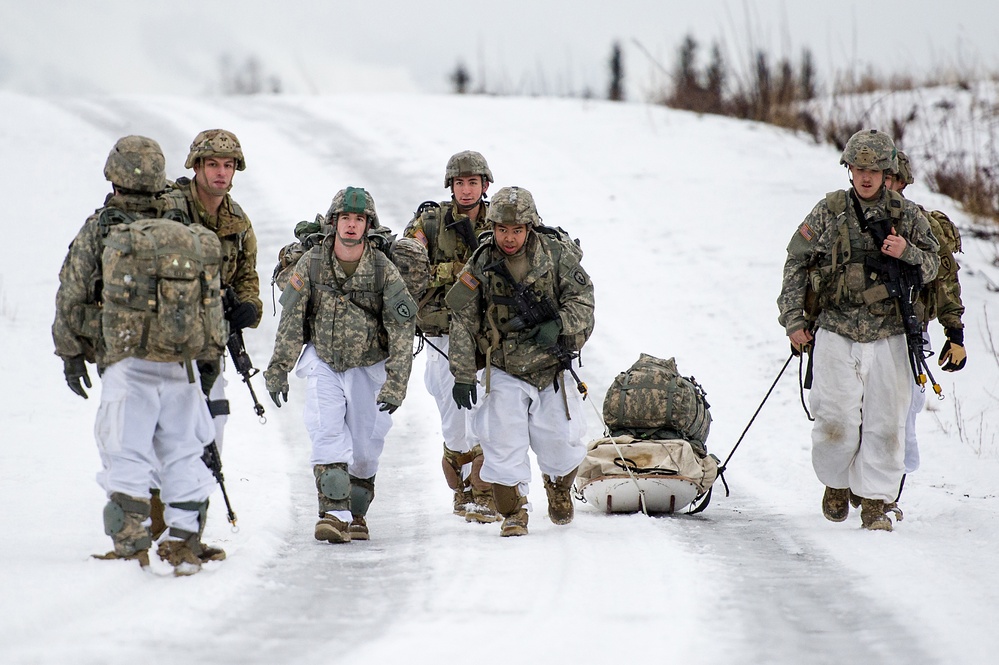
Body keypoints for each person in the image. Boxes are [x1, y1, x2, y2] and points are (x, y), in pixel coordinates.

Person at [53, 136, 225, 574]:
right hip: (182, 363)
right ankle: (185, 541)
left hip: (127, 364)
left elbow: (72, 292)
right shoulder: (185, 228)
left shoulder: (102, 228)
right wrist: (209, 360)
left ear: (114, 174)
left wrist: (71, 352)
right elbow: (211, 299)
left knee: (126, 453)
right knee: (184, 451)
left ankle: (132, 547)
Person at [777, 129, 940, 532]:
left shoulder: (908, 216)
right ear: (849, 169)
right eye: (859, 168)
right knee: (835, 420)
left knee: (887, 423)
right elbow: (796, 261)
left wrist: (909, 253)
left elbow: (935, 267)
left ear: (888, 172)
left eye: (874, 169)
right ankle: (836, 482)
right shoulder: (829, 210)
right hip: (836, 328)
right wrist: (794, 320)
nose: (866, 177)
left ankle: (875, 503)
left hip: (890, 333)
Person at [264, 187, 416, 544]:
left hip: (369, 366)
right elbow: (292, 318)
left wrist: (396, 384)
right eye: (345, 218)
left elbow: (401, 329)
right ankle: (333, 513)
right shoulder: (312, 262)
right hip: (324, 362)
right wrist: (278, 369)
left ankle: (356, 511)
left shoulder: (383, 269)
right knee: (326, 431)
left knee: (365, 449)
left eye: (358, 219)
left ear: (368, 225)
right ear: (334, 222)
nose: (351, 225)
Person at [445, 186, 595, 537]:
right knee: (501, 445)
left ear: (529, 227)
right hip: (505, 368)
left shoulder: (556, 254)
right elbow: (463, 320)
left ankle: (558, 487)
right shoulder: (481, 261)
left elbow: (583, 302)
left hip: (550, 367)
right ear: (493, 227)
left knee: (562, 444)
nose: (508, 238)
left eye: (516, 230)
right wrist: (463, 374)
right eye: (501, 230)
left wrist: (558, 324)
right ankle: (514, 512)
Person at [404, 150, 499, 523]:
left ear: (484, 185)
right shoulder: (430, 223)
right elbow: (408, 268)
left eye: (472, 182)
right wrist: (459, 269)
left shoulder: (501, 221)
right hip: (440, 332)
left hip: (486, 334)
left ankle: (484, 487)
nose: (465, 189)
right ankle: (459, 481)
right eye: (459, 183)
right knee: (453, 416)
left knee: (487, 411)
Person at [172, 128, 262, 447]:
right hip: (167, 339)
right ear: (196, 166)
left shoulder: (237, 221)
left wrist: (249, 307)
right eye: (212, 164)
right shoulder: (171, 209)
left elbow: (247, 277)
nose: (221, 172)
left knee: (214, 423)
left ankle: (197, 496)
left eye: (228, 164)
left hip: (211, 342)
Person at [886, 150, 967, 489]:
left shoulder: (921, 224)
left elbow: (946, 281)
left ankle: (888, 491)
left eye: (888, 175)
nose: (879, 180)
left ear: (902, 181)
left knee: (903, 412)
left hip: (909, 330)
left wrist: (955, 334)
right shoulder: (849, 215)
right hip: (856, 331)